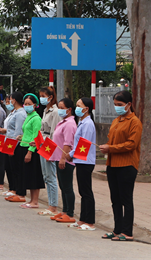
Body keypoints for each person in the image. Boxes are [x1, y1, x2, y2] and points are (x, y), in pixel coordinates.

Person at [100, 91, 142, 241]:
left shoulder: (134, 122)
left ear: (129, 104)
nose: (117, 107)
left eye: (120, 105)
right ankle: (117, 230)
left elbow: (131, 144)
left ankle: (127, 232)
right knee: (115, 199)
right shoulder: (116, 121)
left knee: (126, 199)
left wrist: (110, 148)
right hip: (112, 164)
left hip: (127, 165)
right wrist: (107, 146)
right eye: (115, 105)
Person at [63, 97, 97, 231]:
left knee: (86, 191)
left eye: (79, 105)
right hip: (80, 159)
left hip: (85, 160)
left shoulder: (88, 124)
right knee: (82, 191)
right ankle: (83, 219)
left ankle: (90, 221)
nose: (76, 108)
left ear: (86, 109)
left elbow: (84, 144)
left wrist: (71, 154)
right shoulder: (82, 122)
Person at [50, 98, 77, 224]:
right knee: (62, 185)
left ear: (69, 109)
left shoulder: (70, 124)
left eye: (62, 108)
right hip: (57, 157)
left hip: (64, 159)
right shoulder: (62, 122)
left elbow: (68, 143)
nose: (59, 110)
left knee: (67, 187)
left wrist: (63, 158)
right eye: (59, 107)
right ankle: (65, 210)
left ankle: (70, 213)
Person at [18, 94, 46, 209]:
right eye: (26, 104)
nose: (27, 106)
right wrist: (21, 137)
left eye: (30, 104)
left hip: (32, 149)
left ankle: (35, 201)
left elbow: (36, 136)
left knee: (34, 175)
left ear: (35, 105)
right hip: (24, 146)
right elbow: (27, 133)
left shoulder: (36, 118)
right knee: (28, 175)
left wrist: (30, 152)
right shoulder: (28, 116)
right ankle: (31, 200)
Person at [38, 86, 60, 216]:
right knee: (46, 176)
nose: (41, 99)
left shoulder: (55, 112)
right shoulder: (46, 110)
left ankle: (53, 206)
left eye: (43, 96)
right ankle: (50, 204)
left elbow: (54, 132)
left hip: (49, 145)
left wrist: (49, 149)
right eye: (40, 96)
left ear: (50, 97)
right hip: (42, 143)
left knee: (51, 176)